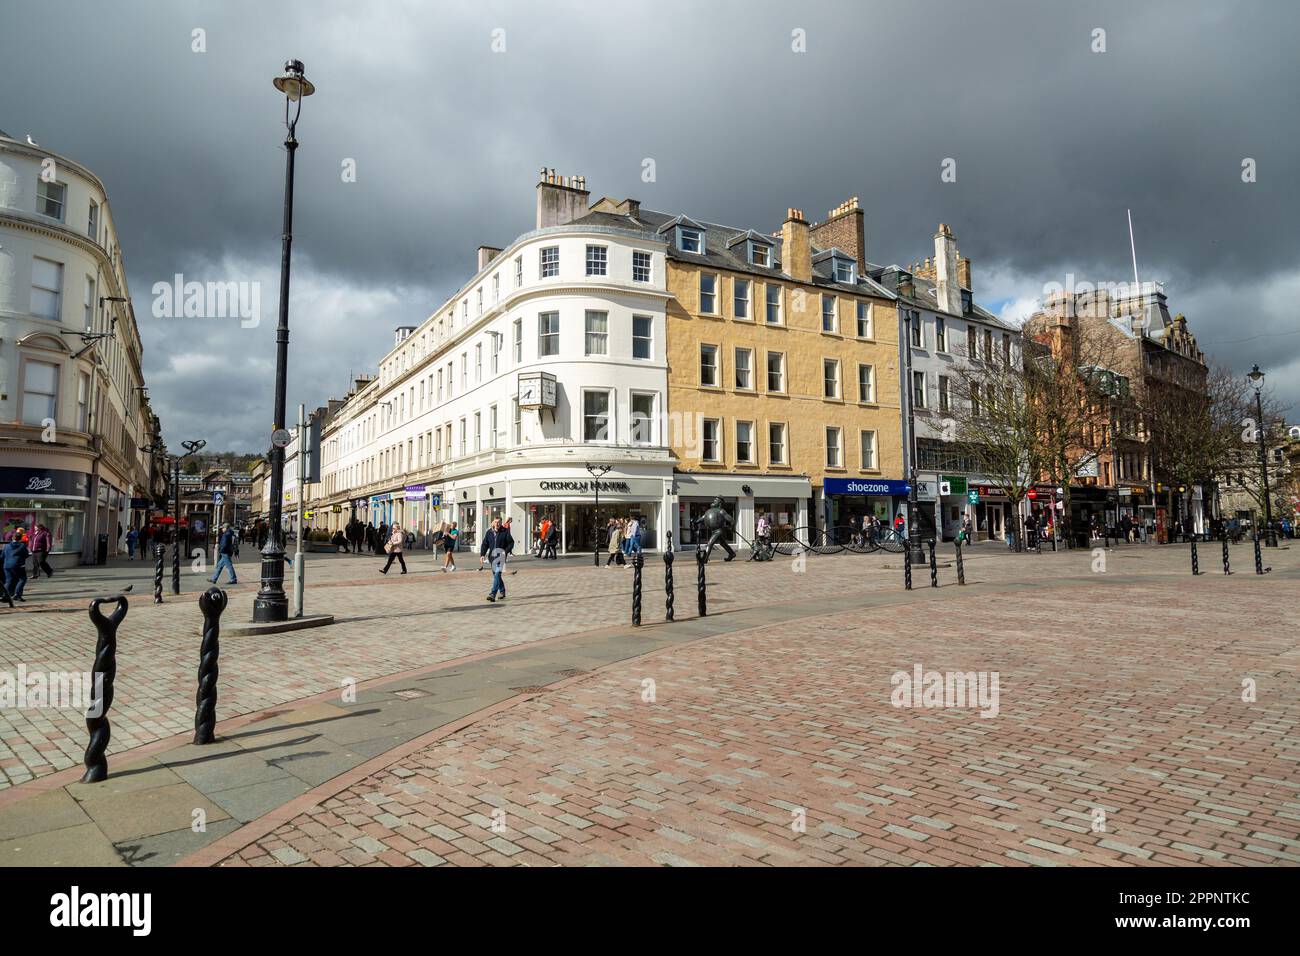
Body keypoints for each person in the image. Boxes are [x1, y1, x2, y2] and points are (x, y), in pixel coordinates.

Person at [4, 530, 30, 603]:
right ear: (20, 538)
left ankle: (4, 596)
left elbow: (3, 555)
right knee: (22, 579)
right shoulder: (22, 546)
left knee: (8, 581)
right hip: (18, 565)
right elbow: (26, 555)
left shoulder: (7, 545)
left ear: (12, 538)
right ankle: (17, 595)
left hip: (7, 565)